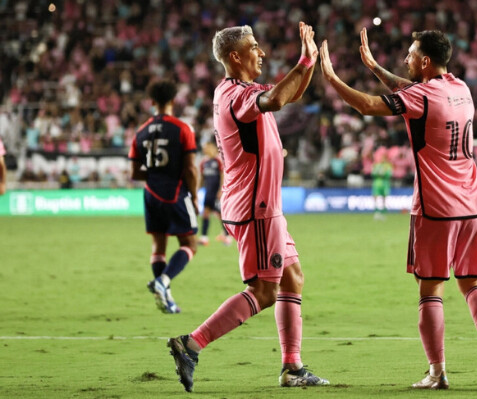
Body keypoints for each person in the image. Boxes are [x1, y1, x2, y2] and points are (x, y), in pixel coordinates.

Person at [320, 28, 477, 390]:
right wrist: (374, 67)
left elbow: (367, 106)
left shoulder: (420, 96)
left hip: (435, 208)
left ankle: (437, 373)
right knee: (473, 282)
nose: (404, 60)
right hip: (472, 206)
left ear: (424, 61)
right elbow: (411, 90)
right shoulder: (461, 90)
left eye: (409, 55)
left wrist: (332, 78)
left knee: (429, 290)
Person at [166, 22, 329, 392]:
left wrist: (309, 63)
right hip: (256, 207)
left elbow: (285, 97)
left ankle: (292, 368)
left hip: (264, 205)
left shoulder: (238, 91)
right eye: (254, 47)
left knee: (292, 278)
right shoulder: (236, 95)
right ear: (235, 56)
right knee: (264, 290)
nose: (262, 52)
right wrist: (303, 60)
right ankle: (191, 345)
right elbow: (274, 100)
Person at [129, 79, 199, 314]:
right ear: (172, 101)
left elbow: (135, 173)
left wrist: (156, 173)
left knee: (158, 247)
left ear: (152, 102)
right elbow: (190, 168)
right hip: (175, 193)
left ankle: (165, 297)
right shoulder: (182, 129)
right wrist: (195, 196)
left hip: (150, 194)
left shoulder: (140, 132)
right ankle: (164, 281)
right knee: (189, 244)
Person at [197, 141, 231, 246]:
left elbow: (222, 175)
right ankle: (204, 237)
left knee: (221, 214)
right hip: (208, 192)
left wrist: (221, 190)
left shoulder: (218, 161)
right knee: (206, 214)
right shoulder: (203, 162)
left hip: (217, 193)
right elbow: (202, 177)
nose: (204, 150)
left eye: (206, 147)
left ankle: (227, 235)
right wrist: (198, 189)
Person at [371, 152, 392, 220]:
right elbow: (373, 173)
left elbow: (389, 174)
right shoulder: (377, 165)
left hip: (385, 183)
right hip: (377, 183)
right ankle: (376, 213)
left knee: (384, 198)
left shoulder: (388, 166)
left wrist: (383, 174)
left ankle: (383, 213)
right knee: (375, 197)